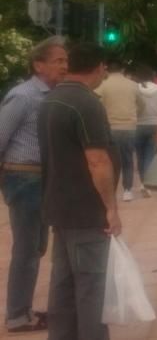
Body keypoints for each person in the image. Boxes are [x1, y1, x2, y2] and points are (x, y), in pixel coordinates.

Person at [39, 42, 119, 340]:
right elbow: (97, 160)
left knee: (63, 284)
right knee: (91, 289)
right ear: (98, 67)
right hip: (86, 211)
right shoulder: (86, 103)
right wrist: (110, 208)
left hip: (59, 207)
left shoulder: (51, 99)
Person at [0, 37, 67, 334]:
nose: (65, 66)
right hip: (24, 179)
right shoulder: (23, 96)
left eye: (66, 61)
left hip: (42, 180)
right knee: (27, 250)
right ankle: (16, 316)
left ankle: (23, 309)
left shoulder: (54, 95)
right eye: (58, 61)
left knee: (36, 248)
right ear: (38, 65)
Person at [97, 61, 146, 201]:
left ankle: (110, 191)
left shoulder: (103, 85)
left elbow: (95, 102)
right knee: (127, 159)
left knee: (110, 161)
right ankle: (128, 190)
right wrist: (135, 115)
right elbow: (142, 105)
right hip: (129, 127)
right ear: (123, 69)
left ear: (107, 70)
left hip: (110, 127)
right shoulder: (132, 85)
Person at [134, 64, 157, 183]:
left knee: (140, 155)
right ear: (152, 76)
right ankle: (147, 182)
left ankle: (143, 180)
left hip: (137, 125)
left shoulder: (134, 88)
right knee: (150, 154)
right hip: (155, 125)